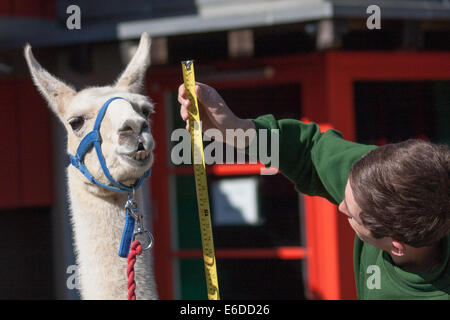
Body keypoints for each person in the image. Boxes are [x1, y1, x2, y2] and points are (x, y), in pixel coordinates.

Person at [178, 82, 450, 300]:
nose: (341, 206)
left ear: (396, 246)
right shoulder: (387, 178)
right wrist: (238, 131)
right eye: (346, 194)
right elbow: (309, 151)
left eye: (353, 216)